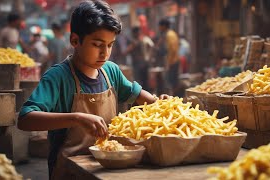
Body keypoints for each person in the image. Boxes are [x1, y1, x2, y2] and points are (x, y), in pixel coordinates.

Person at [17, 1, 168, 179]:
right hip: (69, 171)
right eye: (97, 45)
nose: (105, 53)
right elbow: (25, 119)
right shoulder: (57, 77)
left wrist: (162, 105)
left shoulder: (111, 72)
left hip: (107, 167)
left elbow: (141, 97)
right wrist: (77, 118)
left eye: (110, 45)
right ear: (75, 40)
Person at [124, 27, 154, 91]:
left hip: (141, 63)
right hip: (138, 64)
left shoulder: (142, 39)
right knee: (140, 81)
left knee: (143, 81)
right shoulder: (133, 41)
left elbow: (151, 46)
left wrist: (148, 56)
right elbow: (126, 52)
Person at [158, 19, 180, 95]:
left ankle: (174, 98)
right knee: (172, 82)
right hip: (172, 61)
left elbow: (173, 50)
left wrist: (169, 63)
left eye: (160, 26)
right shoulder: (169, 34)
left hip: (173, 61)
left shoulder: (170, 35)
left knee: (172, 82)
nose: (159, 28)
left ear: (163, 26)